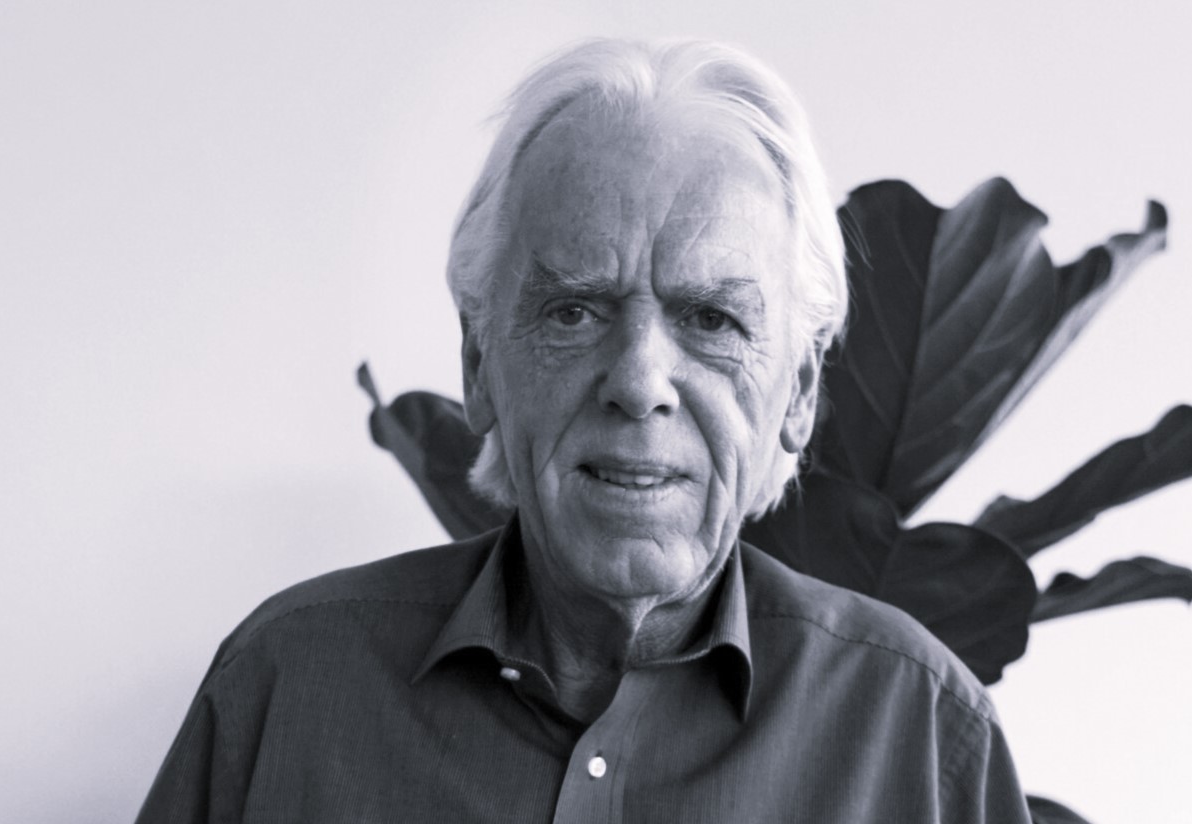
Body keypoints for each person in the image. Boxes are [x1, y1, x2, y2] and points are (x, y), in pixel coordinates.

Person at [137, 38, 1032, 823]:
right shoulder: (285, 688)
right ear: (478, 365)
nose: (638, 383)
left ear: (797, 393)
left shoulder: (919, 731)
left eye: (711, 319)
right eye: (572, 311)